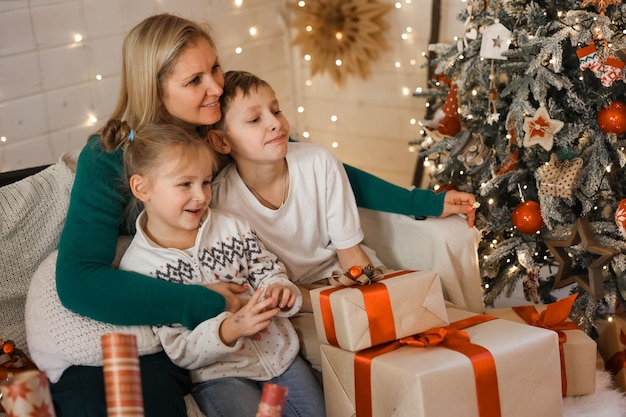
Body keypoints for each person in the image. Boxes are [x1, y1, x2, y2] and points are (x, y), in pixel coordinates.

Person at [34, 12, 476, 416]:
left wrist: (425, 203)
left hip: (242, 284)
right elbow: (79, 279)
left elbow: (315, 167)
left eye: (215, 68)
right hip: (165, 293)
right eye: (194, 81)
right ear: (156, 89)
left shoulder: (223, 128)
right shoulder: (110, 155)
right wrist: (209, 301)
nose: (215, 87)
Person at [101, 120, 325, 417]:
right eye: (185, 184)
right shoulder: (141, 269)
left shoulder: (232, 227)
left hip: (279, 355)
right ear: (142, 187)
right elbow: (179, 348)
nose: (201, 195)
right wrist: (232, 328)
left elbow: (267, 268)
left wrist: (280, 288)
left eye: (205, 182)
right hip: (218, 376)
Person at [207, 70, 384, 370]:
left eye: (275, 110)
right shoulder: (220, 202)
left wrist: (368, 299)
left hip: (348, 283)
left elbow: (351, 254)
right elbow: (258, 290)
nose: (276, 122)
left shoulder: (319, 162)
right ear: (221, 141)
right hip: (293, 307)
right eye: (255, 119)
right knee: (355, 361)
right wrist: (324, 305)